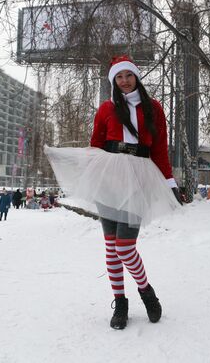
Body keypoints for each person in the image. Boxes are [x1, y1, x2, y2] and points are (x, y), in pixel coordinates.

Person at [44, 55, 182, 330]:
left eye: (128, 75)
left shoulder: (153, 108)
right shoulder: (106, 109)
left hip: (139, 178)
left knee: (125, 246)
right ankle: (120, 303)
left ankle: (146, 292)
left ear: (136, 76)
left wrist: (169, 182)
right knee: (111, 248)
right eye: (119, 77)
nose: (124, 81)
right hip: (108, 178)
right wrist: (79, 166)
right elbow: (96, 144)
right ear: (113, 82)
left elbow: (160, 149)